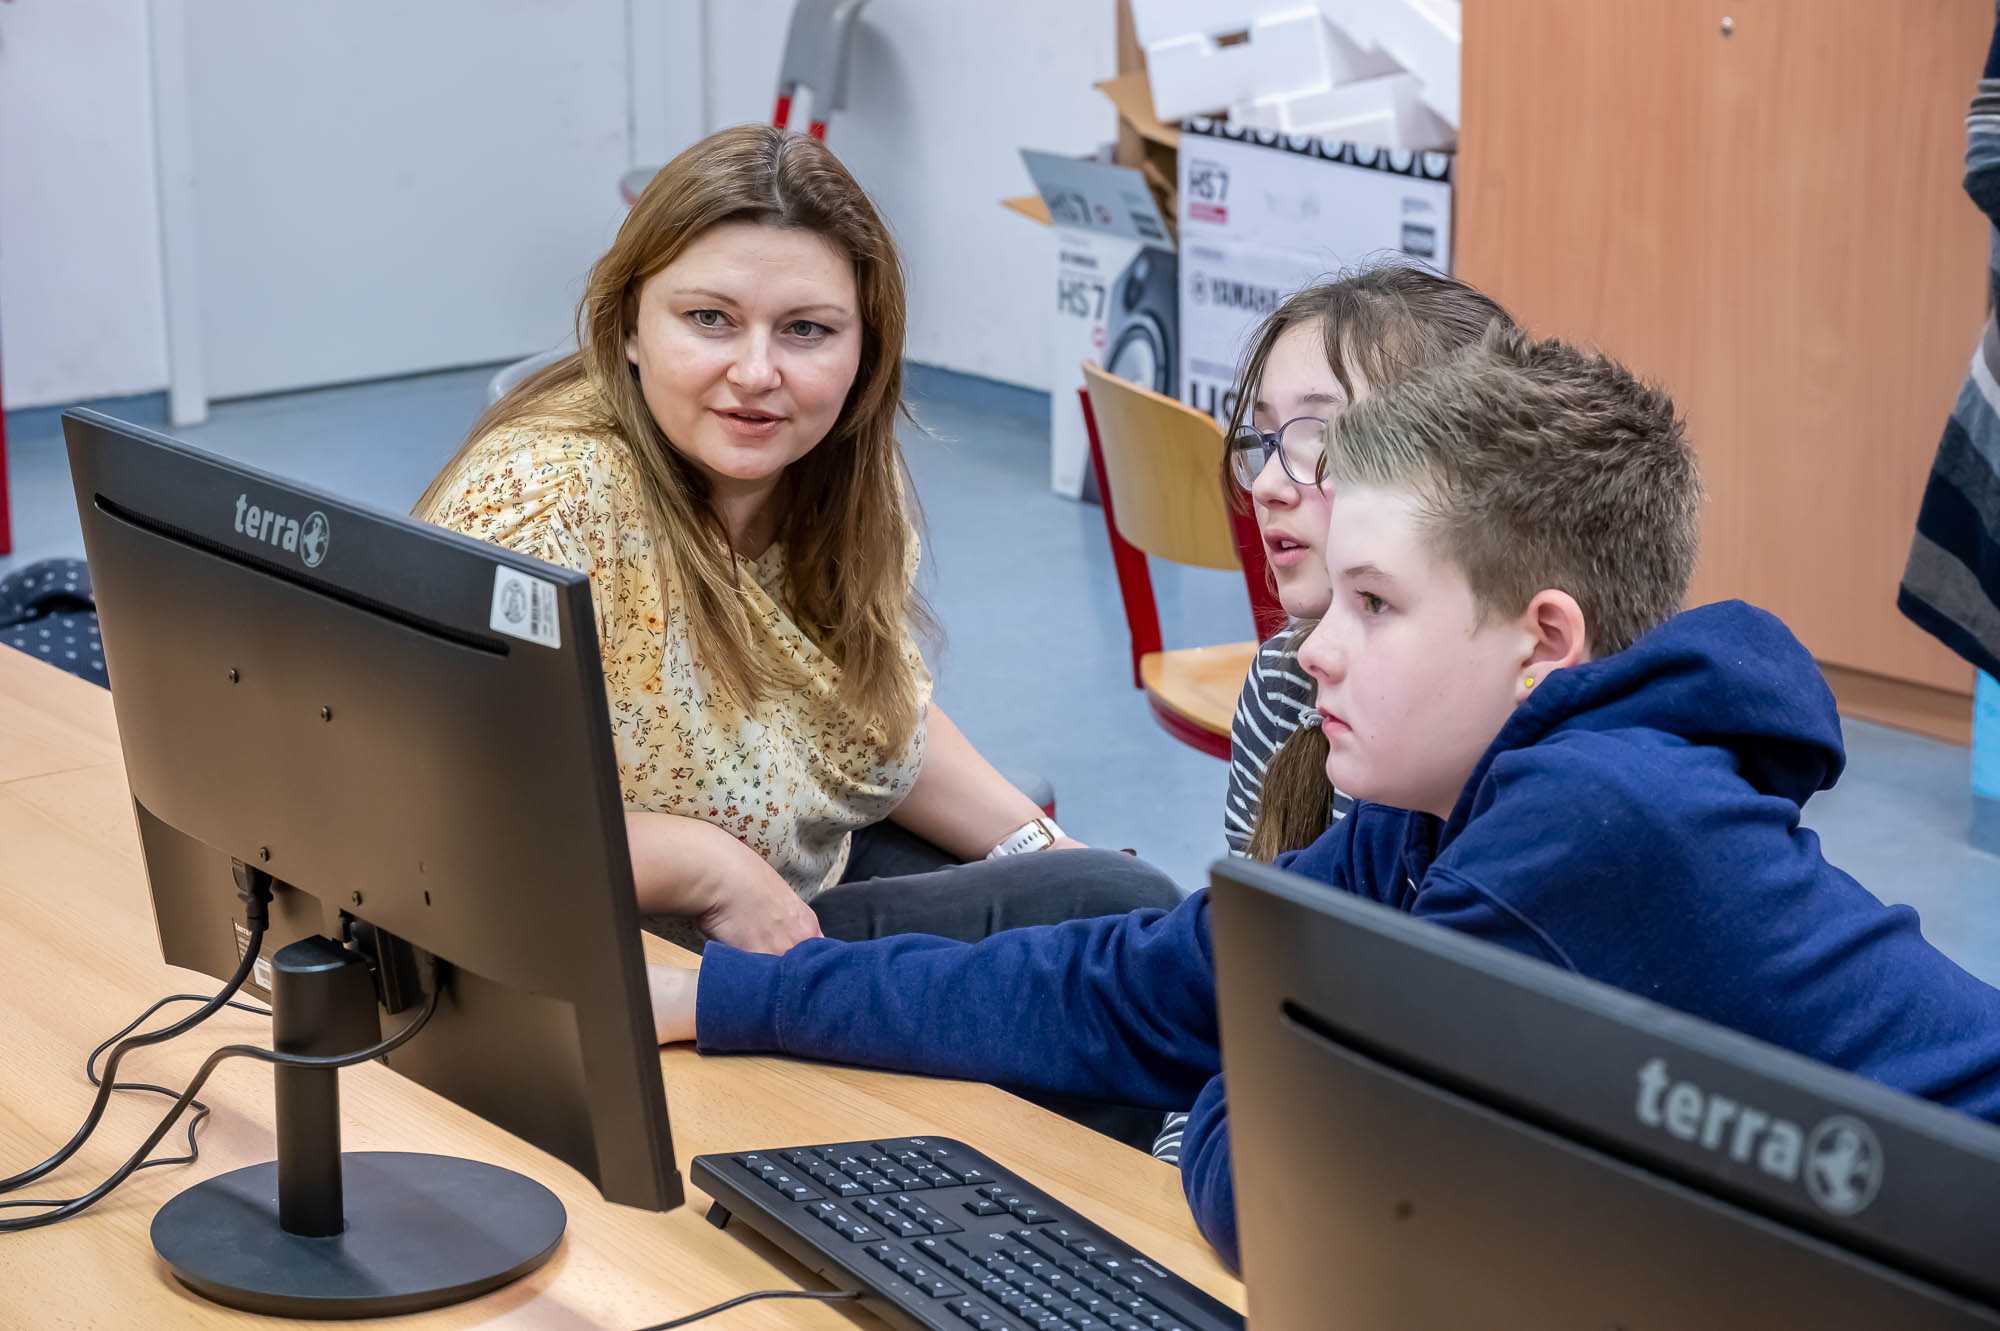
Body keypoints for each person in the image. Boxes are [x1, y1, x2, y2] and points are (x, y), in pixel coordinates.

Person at [644, 323, 2000, 1272]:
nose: (1314, 650)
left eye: (1374, 603)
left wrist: (1254, 1037)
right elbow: (1138, 986)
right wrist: (739, 996)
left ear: (1542, 638)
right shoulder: (1436, 801)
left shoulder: (1594, 822)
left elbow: (1294, 1196)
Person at [415, 125, 1178, 955]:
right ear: (630, 325)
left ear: (866, 350)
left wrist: (1038, 845)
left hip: (797, 872)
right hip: (633, 951)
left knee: (1115, 911)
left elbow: (864, 720)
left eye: (806, 330)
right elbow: (446, 813)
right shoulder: (544, 505)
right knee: (1120, 921)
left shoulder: (827, 470)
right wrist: (709, 868)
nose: (756, 373)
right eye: (710, 319)